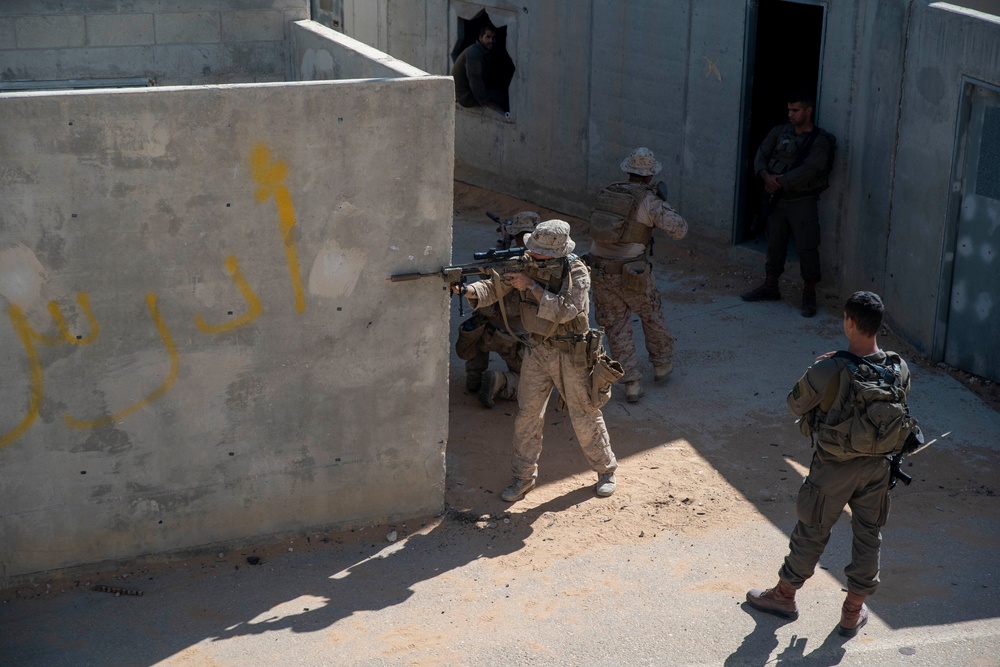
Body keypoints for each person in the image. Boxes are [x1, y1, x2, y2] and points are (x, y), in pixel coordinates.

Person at [746, 291, 911, 638]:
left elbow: (795, 404)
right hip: (878, 468)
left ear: (849, 322)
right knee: (869, 535)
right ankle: (852, 612)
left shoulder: (830, 367)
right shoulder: (898, 367)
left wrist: (819, 371)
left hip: (834, 467)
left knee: (813, 529)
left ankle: (785, 596)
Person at [453, 220, 618, 501]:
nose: (532, 255)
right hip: (537, 349)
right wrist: (466, 290)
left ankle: (606, 470)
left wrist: (531, 286)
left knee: (584, 413)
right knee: (527, 415)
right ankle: (522, 478)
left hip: (571, 352)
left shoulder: (575, 271)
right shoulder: (525, 263)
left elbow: (568, 310)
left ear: (556, 253)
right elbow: (493, 288)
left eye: (539, 253)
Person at [587, 147, 689, 403]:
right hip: (631, 271)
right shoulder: (648, 200)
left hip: (599, 269)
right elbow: (679, 230)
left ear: (627, 171)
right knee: (651, 315)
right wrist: (662, 208)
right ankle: (662, 365)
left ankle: (631, 383)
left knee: (616, 325)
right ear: (650, 175)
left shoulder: (607, 192)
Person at [742, 90, 835, 318]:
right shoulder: (779, 131)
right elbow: (761, 154)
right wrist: (766, 176)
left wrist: (779, 182)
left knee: (807, 247)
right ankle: (771, 286)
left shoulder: (819, 141)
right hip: (777, 200)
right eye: (789, 110)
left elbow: (810, 170)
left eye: (795, 110)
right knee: (774, 244)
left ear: (808, 111)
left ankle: (809, 295)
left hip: (802, 201)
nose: (790, 114)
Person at [457, 211, 540, 408]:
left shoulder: (501, 259)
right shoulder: (541, 263)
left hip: (485, 329)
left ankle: (474, 376)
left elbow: (486, 282)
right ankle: (500, 381)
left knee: (480, 318)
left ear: (513, 235)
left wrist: (503, 242)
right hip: (514, 336)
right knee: (535, 385)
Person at [451, 25, 507, 116]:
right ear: (481, 38)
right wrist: (486, 101)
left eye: (493, 38)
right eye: (488, 37)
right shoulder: (474, 54)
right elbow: (475, 81)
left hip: (468, 93)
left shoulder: (485, 52)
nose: (491, 41)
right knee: (501, 97)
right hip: (466, 97)